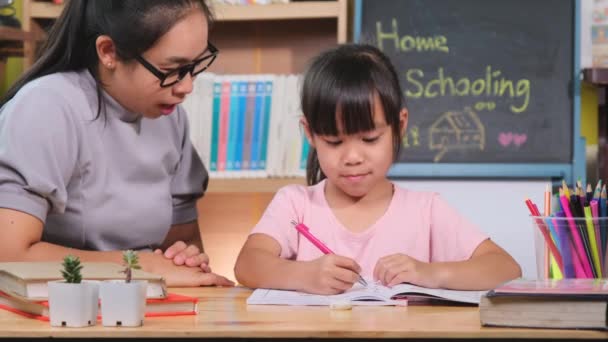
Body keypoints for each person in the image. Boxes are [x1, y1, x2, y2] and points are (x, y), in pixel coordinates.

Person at [234, 44, 521, 295]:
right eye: (334, 141)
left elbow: (505, 268)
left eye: (370, 139)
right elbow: (247, 264)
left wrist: (430, 273)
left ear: (400, 125)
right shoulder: (295, 204)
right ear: (310, 133)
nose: (353, 157)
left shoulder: (426, 210)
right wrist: (304, 275)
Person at [0, 0, 234, 287]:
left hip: (146, 307)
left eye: (196, 65)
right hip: (62, 310)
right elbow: (9, 254)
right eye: (171, 69)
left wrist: (184, 259)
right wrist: (140, 267)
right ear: (108, 52)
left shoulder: (169, 117)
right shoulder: (47, 106)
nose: (186, 87)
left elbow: (183, 243)